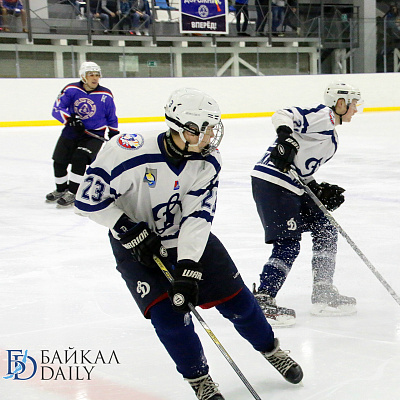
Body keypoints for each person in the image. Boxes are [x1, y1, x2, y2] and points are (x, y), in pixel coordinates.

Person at [74, 88, 303, 400]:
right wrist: (125, 227)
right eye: (207, 128)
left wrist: (188, 266)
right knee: (169, 318)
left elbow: (199, 216)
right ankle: (200, 381)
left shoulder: (209, 161)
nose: (213, 135)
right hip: (136, 248)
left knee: (239, 302)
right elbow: (87, 200)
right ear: (186, 128)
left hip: (187, 238)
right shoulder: (126, 150)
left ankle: (270, 349)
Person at [250, 82, 362, 327]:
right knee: (288, 244)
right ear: (340, 103)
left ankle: (323, 292)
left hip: (293, 186)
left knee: (326, 228)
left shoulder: (331, 140)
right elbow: (282, 115)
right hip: (272, 181)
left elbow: (302, 171)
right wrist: (283, 137)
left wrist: (319, 190)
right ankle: (263, 297)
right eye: (354, 104)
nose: (356, 109)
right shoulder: (322, 116)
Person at [47, 61, 119, 207]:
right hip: (72, 130)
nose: (95, 78)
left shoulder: (105, 94)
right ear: (83, 76)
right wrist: (71, 119)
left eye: (97, 75)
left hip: (94, 134)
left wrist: (113, 133)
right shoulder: (71, 89)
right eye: (91, 74)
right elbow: (57, 108)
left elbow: (112, 116)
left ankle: (73, 192)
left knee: (79, 158)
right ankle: (61, 189)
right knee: (59, 160)